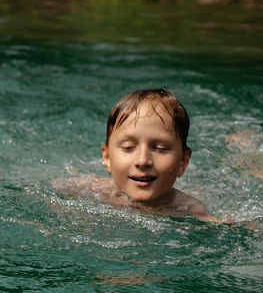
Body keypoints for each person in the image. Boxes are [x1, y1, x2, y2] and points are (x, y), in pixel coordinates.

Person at [66, 88, 217, 222]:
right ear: (107, 157)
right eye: (128, 147)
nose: (143, 160)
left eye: (160, 148)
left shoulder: (190, 212)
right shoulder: (89, 191)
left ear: (183, 161)